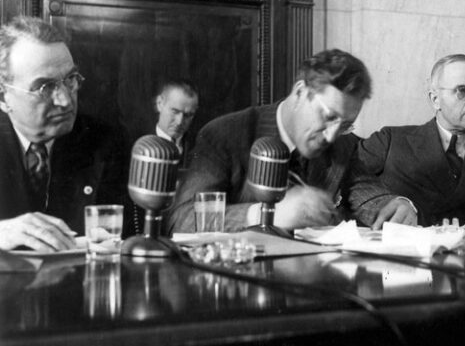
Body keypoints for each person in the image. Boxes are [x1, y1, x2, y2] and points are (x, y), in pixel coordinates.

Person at [165, 48, 416, 233]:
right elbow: (183, 219)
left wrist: (398, 205)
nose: (331, 135)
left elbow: (369, 197)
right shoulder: (224, 134)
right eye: (328, 116)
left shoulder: (342, 146)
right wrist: (267, 214)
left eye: (345, 125)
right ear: (299, 92)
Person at [0, 16, 132, 252]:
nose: (64, 100)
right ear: (3, 97)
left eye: (70, 80)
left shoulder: (104, 143)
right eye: (45, 87)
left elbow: (125, 240)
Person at [348, 54, 465, 227]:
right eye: (462, 91)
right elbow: (346, 180)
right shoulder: (391, 141)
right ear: (435, 99)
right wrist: (380, 203)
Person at [154, 78, 199, 168]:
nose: (179, 122)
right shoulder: (133, 143)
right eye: (175, 111)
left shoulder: (199, 147)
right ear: (159, 103)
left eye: (188, 115)